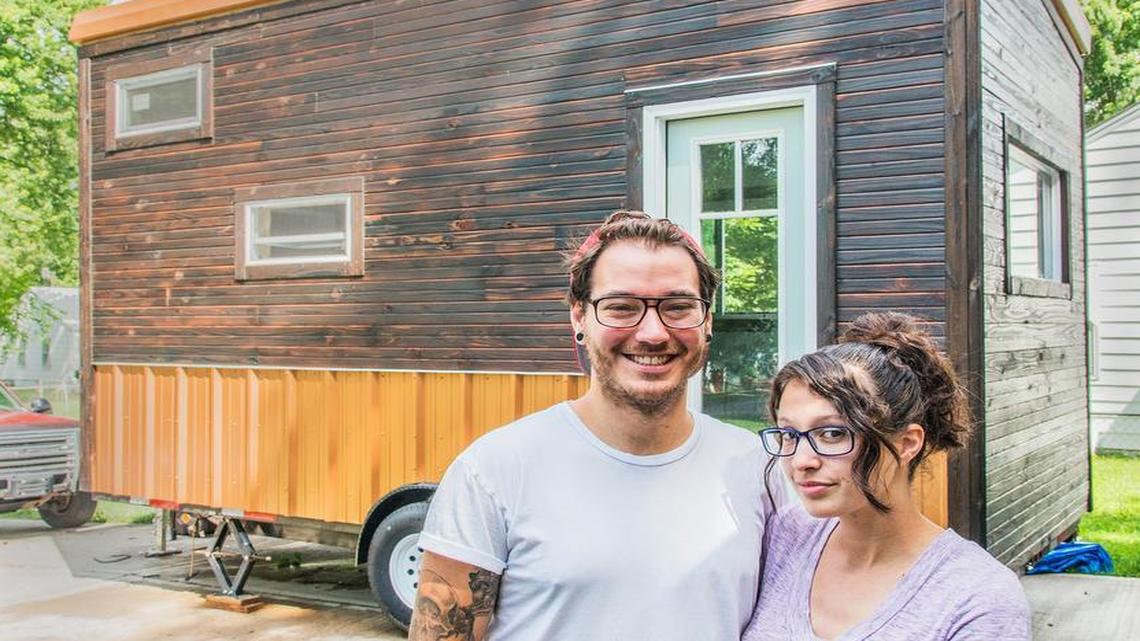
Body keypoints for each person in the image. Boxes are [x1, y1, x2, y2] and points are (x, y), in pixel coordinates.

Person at [409, 210, 788, 641]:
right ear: (578, 318)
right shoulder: (496, 469)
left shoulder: (759, 468)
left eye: (679, 307)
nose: (652, 333)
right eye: (621, 307)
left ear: (707, 322)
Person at [743, 312, 1031, 641]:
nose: (801, 460)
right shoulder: (781, 539)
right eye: (789, 434)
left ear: (907, 443)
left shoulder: (977, 598)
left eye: (833, 433)